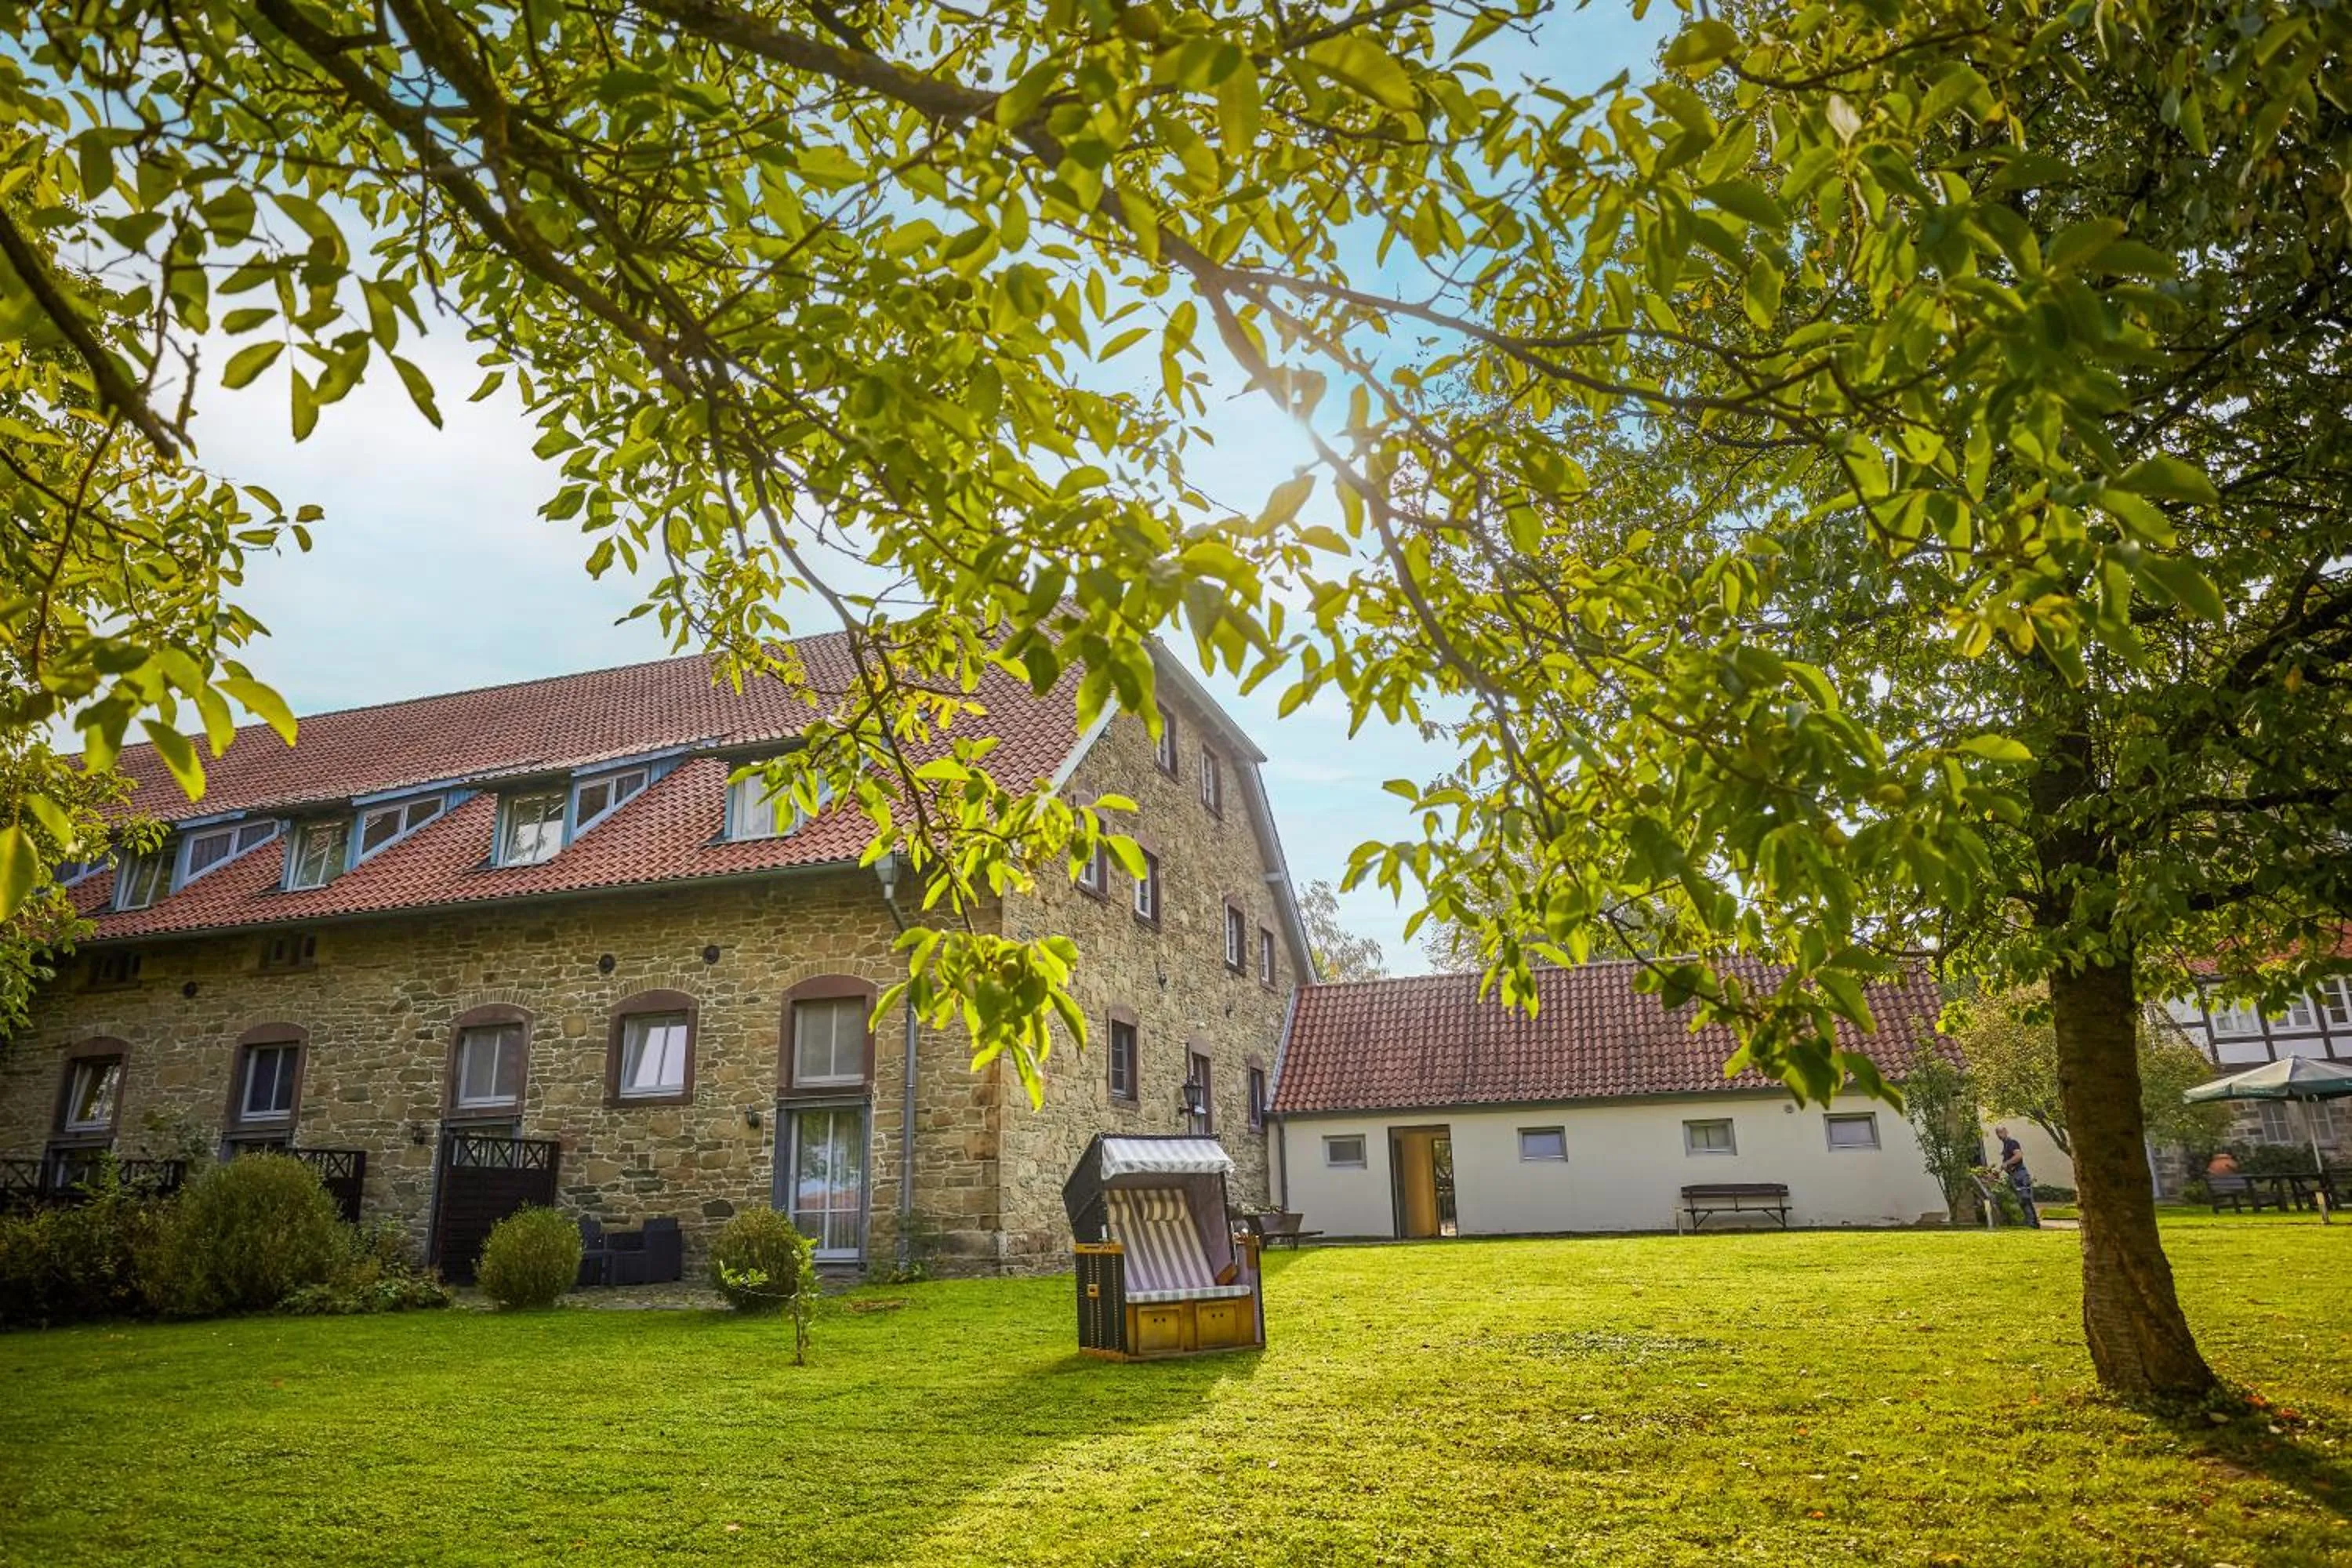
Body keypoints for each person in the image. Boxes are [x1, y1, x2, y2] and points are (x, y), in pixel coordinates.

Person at [1994, 1124, 2042, 1229]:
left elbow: (2019, 1156)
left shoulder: (2012, 1143)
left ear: (2006, 1131)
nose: (1999, 1135)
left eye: (2000, 1132)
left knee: (2025, 1199)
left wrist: (2007, 1163)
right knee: (2022, 1200)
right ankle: (2030, 1222)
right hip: (2014, 1175)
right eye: (1997, 1133)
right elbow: (2007, 1163)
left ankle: (2033, 1223)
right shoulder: (2006, 1146)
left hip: (2020, 1175)